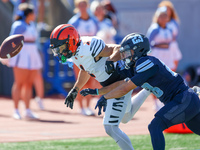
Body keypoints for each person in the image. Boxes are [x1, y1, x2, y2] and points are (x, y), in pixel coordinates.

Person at [49, 24, 151, 150]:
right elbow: (85, 69)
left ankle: (147, 88)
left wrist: (110, 60)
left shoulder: (89, 46)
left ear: (71, 42)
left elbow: (118, 49)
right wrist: (75, 89)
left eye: (61, 48)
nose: (60, 53)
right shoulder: (75, 53)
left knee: (110, 127)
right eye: (57, 50)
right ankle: (147, 89)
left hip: (119, 81)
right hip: (111, 84)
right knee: (125, 117)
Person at [93, 33, 200, 150]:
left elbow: (125, 88)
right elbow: (117, 78)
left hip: (183, 99)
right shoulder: (135, 66)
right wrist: (104, 63)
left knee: (155, 126)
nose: (125, 55)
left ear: (139, 50)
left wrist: (106, 97)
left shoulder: (145, 62)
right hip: (185, 101)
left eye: (128, 52)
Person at [8, 3, 43, 119]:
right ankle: (16, 110)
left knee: (29, 84)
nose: (35, 15)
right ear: (28, 14)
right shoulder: (18, 25)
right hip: (21, 55)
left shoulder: (32, 24)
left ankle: (27, 110)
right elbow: (11, 41)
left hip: (33, 54)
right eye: (33, 13)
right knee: (19, 83)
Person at [67, 0, 100, 116]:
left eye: (84, 4)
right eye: (80, 5)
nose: (82, 7)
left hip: (92, 54)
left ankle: (88, 106)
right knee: (80, 80)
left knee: (91, 81)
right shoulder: (74, 22)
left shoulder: (93, 21)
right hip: (79, 54)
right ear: (77, 7)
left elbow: (97, 35)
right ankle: (81, 107)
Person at [146, 6, 174, 111]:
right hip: (157, 56)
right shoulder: (154, 29)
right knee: (155, 79)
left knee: (168, 79)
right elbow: (149, 43)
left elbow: (169, 44)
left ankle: (165, 101)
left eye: (165, 16)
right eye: (161, 16)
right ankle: (155, 102)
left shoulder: (169, 29)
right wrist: (160, 45)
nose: (163, 18)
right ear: (157, 17)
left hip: (167, 56)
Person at [158, 0, 182, 72]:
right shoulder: (157, 25)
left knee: (172, 66)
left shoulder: (174, 22)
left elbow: (175, 35)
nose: (167, 12)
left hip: (171, 47)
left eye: (168, 10)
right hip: (161, 50)